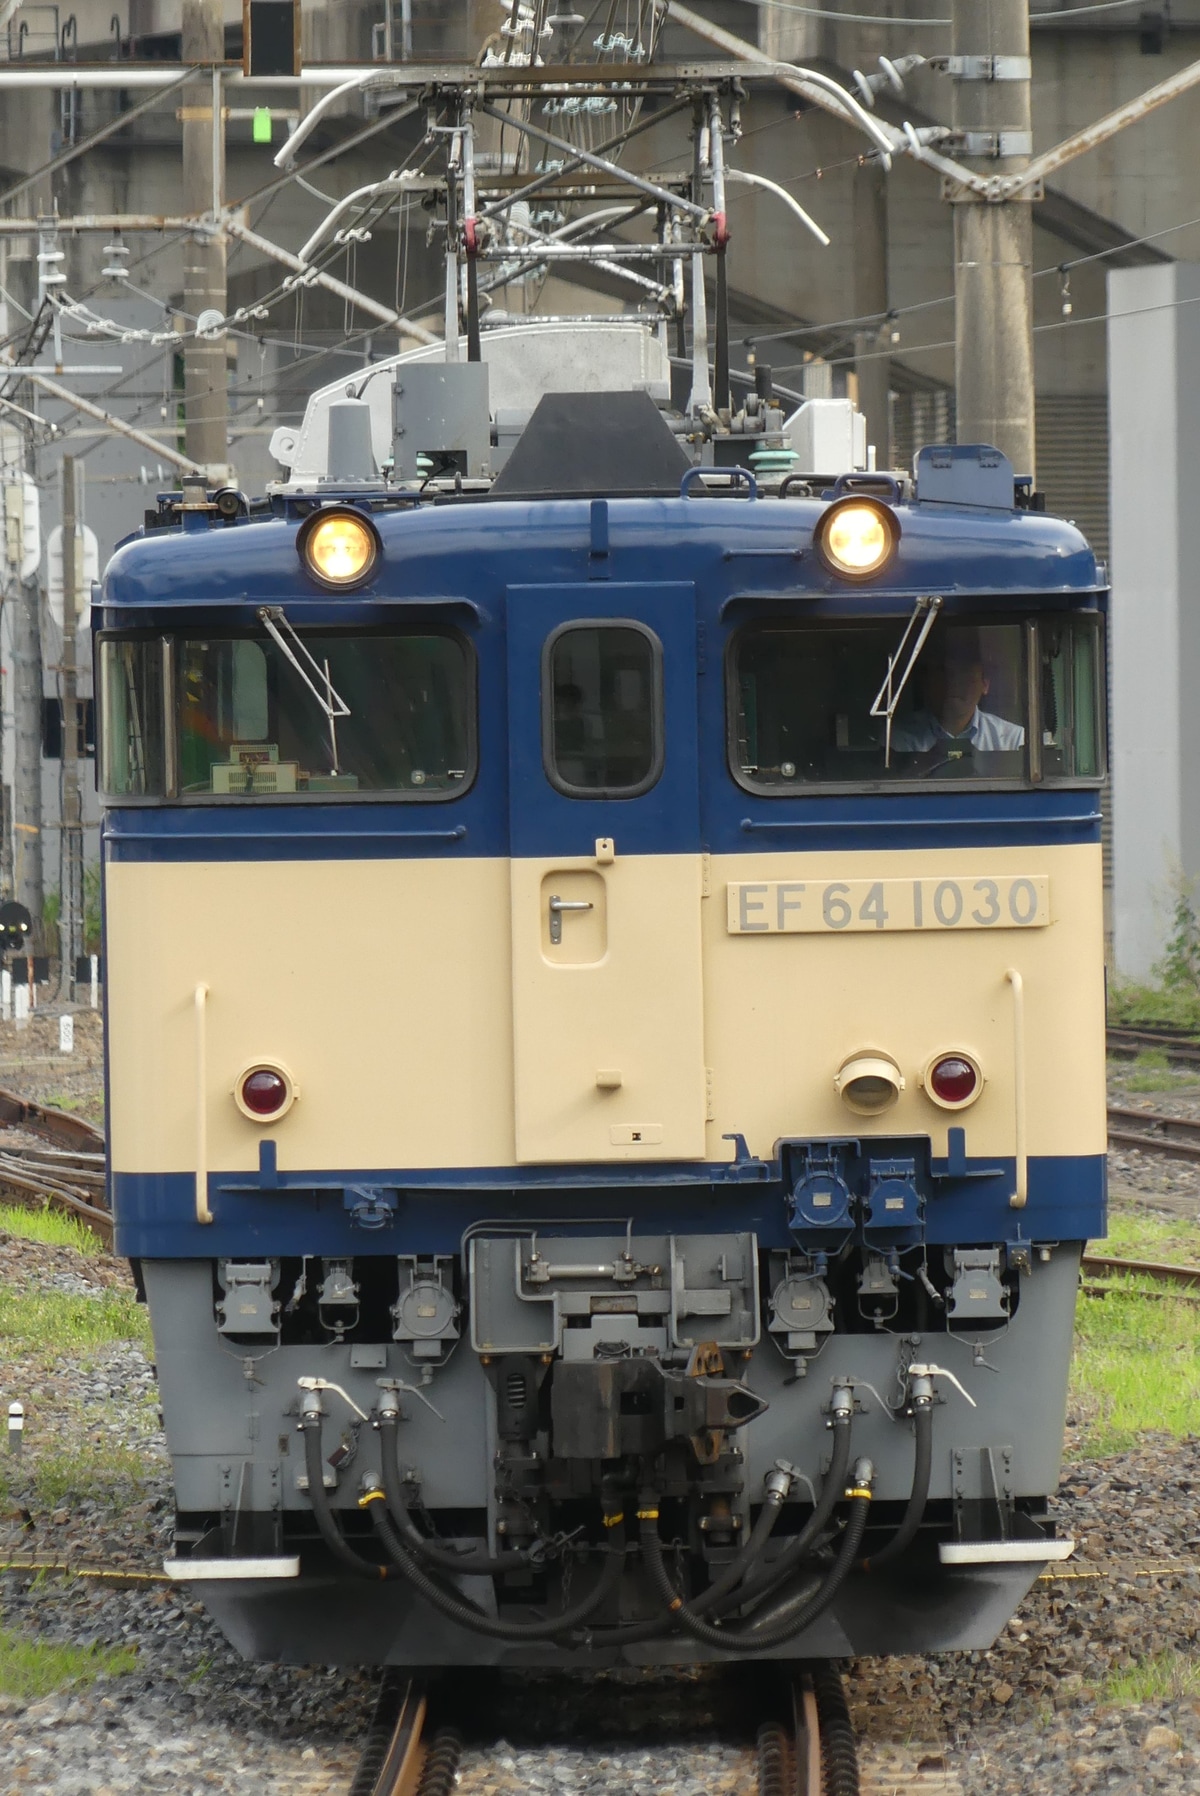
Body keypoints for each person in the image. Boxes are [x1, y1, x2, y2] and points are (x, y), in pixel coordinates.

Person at [891, 630, 1024, 754]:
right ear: (927, 682)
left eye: (964, 672)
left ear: (985, 684)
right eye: (943, 671)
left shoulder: (1013, 739)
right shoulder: (898, 739)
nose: (953, 682)